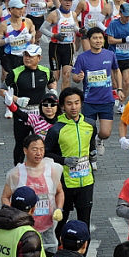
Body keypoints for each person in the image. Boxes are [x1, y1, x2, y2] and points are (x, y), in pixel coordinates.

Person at [0, 134, 65, 254]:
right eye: (34, 149)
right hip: (24, 229)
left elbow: (59, 192)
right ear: (25, 150)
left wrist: (59, 209)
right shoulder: (16, 174)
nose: (39, 153)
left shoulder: (51, 170)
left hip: (48, 227)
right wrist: (13, 215)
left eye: (41, 149)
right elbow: (5, 197)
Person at [44, 87, 96, 235]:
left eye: (77, 103)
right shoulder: (56, 129)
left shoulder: (90, 124)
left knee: (84, 223)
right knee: (60, 221)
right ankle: (57, 248)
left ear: (81, 104)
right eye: (69, 103)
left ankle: (82, 250)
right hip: (64, 183)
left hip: (86, 181)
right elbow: (46, 153)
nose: (73, 107)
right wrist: (64, 160)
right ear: (62, 106)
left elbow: (91, 144)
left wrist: (92, 154)